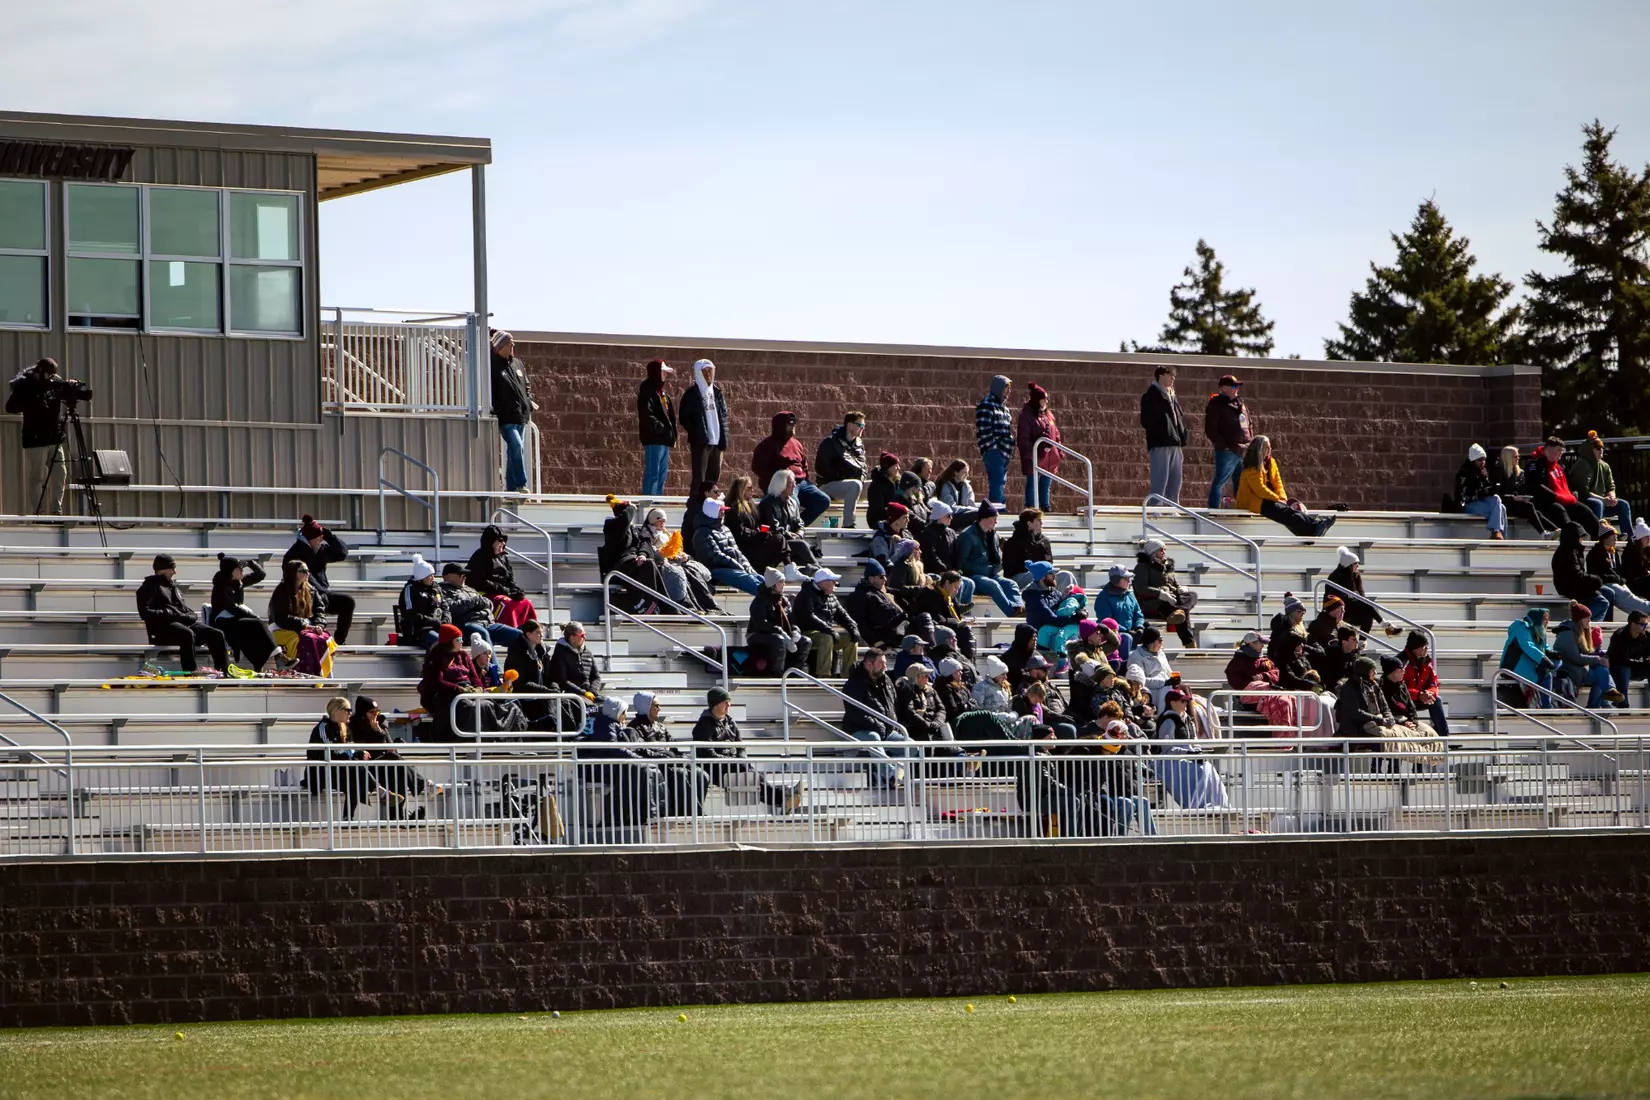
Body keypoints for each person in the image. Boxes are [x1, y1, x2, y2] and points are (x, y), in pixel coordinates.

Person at [689, 687, 805, 814]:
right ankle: (783, 796)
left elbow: (740, 746)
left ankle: (782, 797)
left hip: (733, 765)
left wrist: (741, 759)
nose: (728, 705)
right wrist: (732, 761)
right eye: (724, 702)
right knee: (751, 777)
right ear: (715, 704)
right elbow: (707, 753)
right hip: (716, 769)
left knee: (752, 776)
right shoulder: (704, 725)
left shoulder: (730, 722)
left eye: (729, 701)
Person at [135, 553, 229, 674]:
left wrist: (191, 615)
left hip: (181, 624)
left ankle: (223, 672)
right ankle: (190, 673)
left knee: (216, 634)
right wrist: (169, 613)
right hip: (162, 629)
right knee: (186, 633)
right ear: (163, 569)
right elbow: (145, 613)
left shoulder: (173, 587)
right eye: (172, 568)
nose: (175, 572)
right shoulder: (148, 587)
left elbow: (183, 609)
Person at [6, 357, 75, 515]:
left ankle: (56, 510)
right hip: (36, 439)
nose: (51, 378)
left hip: (55, 437)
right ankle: (40, 512)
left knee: (60, 473)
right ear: (39, 371)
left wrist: (71, 386)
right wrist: (32, 398)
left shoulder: (54, 383)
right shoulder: (25, 385)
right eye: (48, 374)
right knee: (37, 477)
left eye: (53, 375)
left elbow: (68, 394)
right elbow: (10, 406)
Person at [626, 691, 711, 816]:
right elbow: (641, 750)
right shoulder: (634, 728)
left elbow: (674, 748)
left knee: (701, 774)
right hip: (658, 767)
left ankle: (694, 811)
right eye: (656, 705)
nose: (659, 709)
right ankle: (691, 814)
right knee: (680, 774)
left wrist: (681, 758)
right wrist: (664, 755)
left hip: (671, 763)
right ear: (646, 706)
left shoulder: (661, 727)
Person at [1236, 435, 1336, 538]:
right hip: (1254, 501)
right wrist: (1277, 499)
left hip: (1268, 499)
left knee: (1289, 510)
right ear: (1260, 449)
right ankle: (1314, 528)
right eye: (1267, 447)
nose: (1270, 449)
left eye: (1270, 447)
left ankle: (1315, 526)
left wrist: (1282, 498)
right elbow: (1259, 489)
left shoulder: (1271, 462)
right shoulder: (1252, 467)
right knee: (1284, 512)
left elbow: (1277, 483)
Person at [349, 695, 430, 819]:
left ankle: (397, 816)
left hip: (384, 766)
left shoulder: (381, 723)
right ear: (363, 713)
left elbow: (390, 748)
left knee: (398, 772)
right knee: (395, 761)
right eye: (372, 712)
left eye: (377, 711)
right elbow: (369, 752)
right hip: (367, 771)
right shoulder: (354, 726)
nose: (376, 714)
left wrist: (380, 732)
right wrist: (376, 733)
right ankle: (422, 785)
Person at [1553, 522, 1650, 623]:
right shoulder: (1589, 553)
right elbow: (1578, 575)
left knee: (1614, 592)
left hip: (1590, 583)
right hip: (1576, 586)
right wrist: (1597, 579)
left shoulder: (1613, 553)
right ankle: (1583, 624)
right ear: (1605, 538)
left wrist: (1617, 579)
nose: (1616, 539)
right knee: (1604, 600)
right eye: (1613, 537)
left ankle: (1605, 623)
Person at [842, 648, 911, 787]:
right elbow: (855, 713)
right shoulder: (854, 684)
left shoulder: (886, 681)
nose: (885, 666)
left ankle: (885, 773)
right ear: (868, 664)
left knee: (913, 748)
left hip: (886, 730)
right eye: (881, 663)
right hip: (859, 729)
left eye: (885, 663)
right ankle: (892, 775)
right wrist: (880, 726)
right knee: (874, 738)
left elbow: (893, 705)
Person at [751, 411, 831, 525]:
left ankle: (798, 526)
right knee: (793, 502)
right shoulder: (766, 446)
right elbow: (757, 467)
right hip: (782, 484)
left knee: (823, 500)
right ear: (780, 426)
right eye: (789, 425)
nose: (793, 427)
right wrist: (777, 480)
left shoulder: (797, 444)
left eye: (794, 425)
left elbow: (804, 465)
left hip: (801, 483)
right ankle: (790, 529)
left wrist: (805, 480)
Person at [283, 515, 355, 644]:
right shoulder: (293, 555)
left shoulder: (319, 550)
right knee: (318, 603)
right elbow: (304, 579)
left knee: (347, 602)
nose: (321, 541)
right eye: (318, 538)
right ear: (309, 539)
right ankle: (318, 642)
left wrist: (329, 536)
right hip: (302, 597)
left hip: (322, 594)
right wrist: (321, 592)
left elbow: (342, 553)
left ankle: (339, 641)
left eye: (322, 538)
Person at [306, 696, 373, 817]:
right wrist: (356, 753)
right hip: (321, 772)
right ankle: (380, 790)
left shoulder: (345, 729)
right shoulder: (323, 727)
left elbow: (349, 749)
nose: (350, 714)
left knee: (357, 776)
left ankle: (348, 816)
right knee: (357, 770)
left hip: (339, 770)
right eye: (348, 710)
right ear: (337, 711)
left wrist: (356, 752)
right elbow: (331, 750)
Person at [417, 624, 486, 742]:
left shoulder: (464, 655)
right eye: (458, 639)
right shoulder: (437, 656)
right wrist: (460, 690)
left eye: (462, 638)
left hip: (467, 692)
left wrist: (478, 688)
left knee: (486, 705)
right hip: (446, 695)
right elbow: (437, 682)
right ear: (449, 641)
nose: (462, 642)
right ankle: (463, 741)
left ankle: (488, 742)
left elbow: (475, 677)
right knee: (467, 707)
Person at [209, 553, 276, 673]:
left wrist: (250, 563)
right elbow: (232, 608)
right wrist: (252, 615)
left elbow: (261, 575)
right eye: (238, 568)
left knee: (253, 626)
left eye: (242, 568)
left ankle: (262, 662)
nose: (241, 571)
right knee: (256, 624)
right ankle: (276, 656)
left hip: (235, 619)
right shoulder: (220, 587)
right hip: (223, 622)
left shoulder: (238, 582)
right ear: (230, 571)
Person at [267, 560, 336, 677]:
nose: (307, 573)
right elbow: (281, 618)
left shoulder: (311, 590)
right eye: (303, 571)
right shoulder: (281, 591)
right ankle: (306, 673)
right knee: (307, 639)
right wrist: (304, 624)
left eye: (308, 571)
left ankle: (325, 674)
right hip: (283, 628)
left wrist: (318, 624)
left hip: (306, 627)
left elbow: (319, 610)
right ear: (292, 573)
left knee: (324, 638)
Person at [488, 330, 536, 494]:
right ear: (500, 347)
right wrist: (497, 408)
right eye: (510, 343)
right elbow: (489, 391)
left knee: (514, 450)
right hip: (506, 417)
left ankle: (511, 489)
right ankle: (521, 484)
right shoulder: (492, 365)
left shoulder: (517, 364)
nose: (513, 345)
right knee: (516, 445)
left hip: (520, 415)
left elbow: (526, 385)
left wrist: (528, 401)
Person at [955, 503, 1024, 615]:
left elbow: (997, 557)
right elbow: (962, 563)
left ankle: (1018, 608)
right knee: (993, 585)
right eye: (994, 519)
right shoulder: (967, 536)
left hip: (991, 574)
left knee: (1011, 584)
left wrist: (997, 566)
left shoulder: (994, 535)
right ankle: (1012, 613)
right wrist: (986, 570)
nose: (996, 522)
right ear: (984, 518)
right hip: (974, 576)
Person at [1552, 601, 1624, 708]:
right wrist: (1598, 659)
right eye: (1587, 618)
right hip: (1570, 672)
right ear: (1579, 619)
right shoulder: (1566, 633)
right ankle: (1606, 696)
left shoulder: (1579, 632)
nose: (1589, 621)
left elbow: (1587, 653)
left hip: (1580, 671)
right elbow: (1576, 657)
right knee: (1601, 670)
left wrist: (1600, 658)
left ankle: (1597, 704)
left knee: (1601, 672)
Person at [465, 524, 537, 629]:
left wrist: (516, 590)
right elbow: (481, 582)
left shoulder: (504, 558)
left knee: (525, 603)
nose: (503, 543)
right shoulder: (479, 557)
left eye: (504, 540)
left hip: (503, 592)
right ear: (491, 541)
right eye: (500, 540)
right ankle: (511, 634)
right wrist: (505, 591)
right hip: (485, 594)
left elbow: (510, 579)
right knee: (507, 604)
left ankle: (531, 635)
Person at [793, 567, 860, 678]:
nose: (835, 584)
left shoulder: (831, 597)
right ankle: (823, 675)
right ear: (822, 583)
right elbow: (808, 617)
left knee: (851, 638)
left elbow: (843, 615)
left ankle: (849, 675)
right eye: (832, 582)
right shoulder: (806, 594)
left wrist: (853, 628)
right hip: (807, 633)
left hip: (826, 632)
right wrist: (829, 630)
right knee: (826, 638)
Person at [1529, 437, 1600, 538]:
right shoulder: (1536, 465)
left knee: (1584, 510)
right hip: (1547, 502)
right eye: (1558, 450)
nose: (1561, 453)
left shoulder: (1561, 467)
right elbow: (1537, 486)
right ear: (1547, 450)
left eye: (1562, 451)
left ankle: (1602, 534)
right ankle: (1574, 534)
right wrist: (1556, 496)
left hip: (1565, 499)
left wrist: (1574, 492)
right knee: (1560, 510)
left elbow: (1570, 484)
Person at [691, 497, 764, 596]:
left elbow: (737, 551)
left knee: (759, 578)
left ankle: (778, 597)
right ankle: (768, 598)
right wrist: (737, 566)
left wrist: (746, 565)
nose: (724, 514)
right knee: (747, 579)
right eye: (721, 511)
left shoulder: (725, 529)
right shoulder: (702, 533)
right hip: (714, 570)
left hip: (733, 567)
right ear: (713, 512)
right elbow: (715, 556)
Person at [746, 567, 811, 677]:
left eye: (784, 581)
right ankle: (777, 674)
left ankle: (793, 672)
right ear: (772, 584)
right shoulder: (760, 601)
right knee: (779, 640)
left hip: (780, 633)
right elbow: (761, 623)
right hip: (758, 634)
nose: (784, 584)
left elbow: (792, 620)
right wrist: (781, 632)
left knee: (805, 641)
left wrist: (795, 631)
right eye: (781, 581)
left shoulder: (784, 601)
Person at [1133, 538, 1197, 646]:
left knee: (1192, 595)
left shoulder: (1168, 567)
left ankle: (1179, 611)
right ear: (1153, 552)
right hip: (1153, 601)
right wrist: (1160, 594)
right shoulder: (1142, 567)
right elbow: (1141, 588)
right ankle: (1190, 644)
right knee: (1178, 610)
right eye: (1161, 550)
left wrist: (1181, 589)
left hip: (1171, 599)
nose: (1164, 552)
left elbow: (1175, 584)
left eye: (1164, 549)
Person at [437, 562, 517, 648]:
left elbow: (489, 604)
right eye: (461, 574)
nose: (464, 577)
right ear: (448, 576)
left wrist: (478, 602)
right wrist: (474, 602)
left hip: (488, 623)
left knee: (518, 635)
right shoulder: (441, 590)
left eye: (465, 575)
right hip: (469, 624)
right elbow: (451, 608)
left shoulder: (470, 589)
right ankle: (491, 662)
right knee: (482, 634)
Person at [1570, 431, 1633, 534]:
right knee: (1597, 503)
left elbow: (1610, 486)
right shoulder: (1582, 465)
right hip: (1585, 503)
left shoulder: (1605, 466)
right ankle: (1598, 535)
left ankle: (1630, 538)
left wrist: (1612, 497)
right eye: (1598, 448)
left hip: (1603, 501)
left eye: (1602, 448)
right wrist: (1603, 499)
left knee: (1623, 504)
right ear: (1589, 450)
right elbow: (1583, 492)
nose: (1601, 450)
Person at [1139, 365, 1186, 504]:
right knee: (1160, 478)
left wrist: (1182, 435)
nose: (1173, 378)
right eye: (1170, 374)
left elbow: (1179, 418)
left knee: (1175, 479)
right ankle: (1155, 508)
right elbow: (1147, 420)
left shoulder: (1172, 396)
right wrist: (1161, 434)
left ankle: (1172, 507)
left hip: (1175, 443)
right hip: (1160, 443)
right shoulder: (1151, 395)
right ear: (1161, 375)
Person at [680, 358, 730, 489]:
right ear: (698, 373)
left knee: (713, 478)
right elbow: (684, 417)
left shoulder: (718, 393)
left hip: (717, 442)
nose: (708, 374)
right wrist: (697, 432)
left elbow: (724, 416)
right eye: (705, 371)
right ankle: (696, 506)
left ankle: (711, 506)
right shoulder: (692, 394)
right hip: (701, 442)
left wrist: (723, 439)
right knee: (699, 479)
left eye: (710, 371)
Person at [504, 619, 563, 730]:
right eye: (538, 633)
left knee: (564, 700)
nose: (542, 635)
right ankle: (554, 729)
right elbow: (521, 683)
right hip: (525, 698)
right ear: (528, 634)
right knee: (551, 700)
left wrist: (554, 687)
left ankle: (570, 732)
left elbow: (551, 675)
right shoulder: (517, 653)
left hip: (541, 694)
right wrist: (547, 691)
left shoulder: (542, 652)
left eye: (542, 632)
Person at [1334, 655, 1396, 758]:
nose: (1375, 673)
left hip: (1375, 724)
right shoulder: (1349, 688)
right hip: (1356, 729)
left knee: (1398, 741)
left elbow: (1385, 706)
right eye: (1372, 671)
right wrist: (1380, 720)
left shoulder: (1374, 685)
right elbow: (1356, 713)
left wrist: (1389, 717)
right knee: (1382, 743)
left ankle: (1394, 771)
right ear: (1364, 671)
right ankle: (1376, 771)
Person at [1204, 373, 1251, 510]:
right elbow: (1210, 428)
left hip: (1243, 449)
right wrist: (1224, 445)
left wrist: (1249, 440)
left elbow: (1249, 423)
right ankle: (1213, 509)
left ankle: (1240, 508)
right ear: (1223, 388)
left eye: (1237, 386)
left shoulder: (1240, 403)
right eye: (1233, 386)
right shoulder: (1217, 404)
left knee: (1241, 482)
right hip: (1227, 450)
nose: (1237, 388)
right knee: (1220, 480)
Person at [814, 411, 869, 527]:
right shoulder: (830, 442)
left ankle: (881, 526)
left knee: (876, 484)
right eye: (860, 425)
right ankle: (848, 525)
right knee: (855, 485)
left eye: (863, 426)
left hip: (852, 486)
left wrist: (859, 477)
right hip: (828, 486)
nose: (863, 428)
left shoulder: (859, 444)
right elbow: (822, 469)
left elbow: (864, 468)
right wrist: (844, 477)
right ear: (849, 425)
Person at [546, 620, 603, 731]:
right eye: (582, 635)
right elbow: (562, 681)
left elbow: (596, 677)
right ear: (572, 637)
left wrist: (592, 692)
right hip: (573, 696)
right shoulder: (560, 654)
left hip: (589, 695)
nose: (585, 637)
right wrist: (583, 693)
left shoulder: (587, 653)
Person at [1326, 547, 1394, 637]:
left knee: (1368, 614)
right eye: (1355, 564)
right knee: (1368, 605)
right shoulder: (1334, 576)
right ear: (1348, 565)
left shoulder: (1356, 575)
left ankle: (1362, 642)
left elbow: (1361, 593)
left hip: (1352, 608)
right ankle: (1385, 625)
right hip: (1340, 610)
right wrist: (1351, 596)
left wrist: (1354, 596)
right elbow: (1332, 596)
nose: (1358, 566)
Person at [758, 470, 818, 567]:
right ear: (781, 485)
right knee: (801, 545)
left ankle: (815, 571)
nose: (794, 485)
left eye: (794, 482)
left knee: (804, 553)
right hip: (774, 542)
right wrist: (791, 536)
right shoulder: (768, 503)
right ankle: (820, 573)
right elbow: (772, 527)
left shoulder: (793, 503)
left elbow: (800, 524)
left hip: (791, 541)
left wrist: (799, 534)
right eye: (791, 483)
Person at [844, 560, 908, 649]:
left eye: (885, 576)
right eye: (881, 577)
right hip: (886, 636)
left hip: (900, 630)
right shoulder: (859, 596)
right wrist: (876, 642)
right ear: (871, 579)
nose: (885, 579)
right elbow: (860, 623)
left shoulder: (880, 592)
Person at [1500, 607, 1557, 707]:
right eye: (1545, 619)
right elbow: (1528, 646)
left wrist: (1552, 653)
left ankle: (1546, 706)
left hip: (1527, 666)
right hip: (1513, 668)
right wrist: (1543, 659)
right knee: (1547, 674)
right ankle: (1546, 706)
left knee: (1551, 668)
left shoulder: (1539, 630)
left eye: (1548, 619)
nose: (1547, 622)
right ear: (1537, 619)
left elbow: (1543, 647)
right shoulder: (1522, 628)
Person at [636, 358, 677, 495]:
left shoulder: (661, 392)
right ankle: (649, 503)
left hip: (664, 440)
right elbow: (647, 416)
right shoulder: (647, 391)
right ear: (655, 373)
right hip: (654, 440)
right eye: (663, 372)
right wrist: (662, 429)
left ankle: (658, 503)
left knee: (662, 475)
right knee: (653, 474)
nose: (665, 375)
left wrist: (669, 433)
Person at [1491, 445, 1553, 535]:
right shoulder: (1499, 472)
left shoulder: (1519, 472)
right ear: (1508, 458)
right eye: (1516, 456)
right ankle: (1543, 533)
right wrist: (1513, 497)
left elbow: (1520, 490)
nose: (1518, 458)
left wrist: (1523, 496)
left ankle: (1555, 531)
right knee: (1529, 507)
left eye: (1518, 456)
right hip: (1504, 505)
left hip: (1515, 503)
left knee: (1536, 512)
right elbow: (1496, 494)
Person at [1016, 383, 1060, 510]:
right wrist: (1030, 455)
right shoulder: (1027, 416)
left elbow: (1056, 433)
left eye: (1046, 398)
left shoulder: (1048, 415)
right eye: (1043, 399)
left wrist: (1059, 452)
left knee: (1046, 483)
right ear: (1036, 400)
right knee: (1033, 482)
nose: (1046, 401)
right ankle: (1031, 508)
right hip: (1035, 457)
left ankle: (1045, 506)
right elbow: (1023, 438)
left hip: (1050, 458)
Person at [1399, 631, 1450, 738]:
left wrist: (1429, 693)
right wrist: (1419, 695)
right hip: (1403, 700)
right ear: (1415, 648)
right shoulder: (1401, 662)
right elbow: (1399, 688)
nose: (1427, 649)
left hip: (1419, 698)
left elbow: (1434, 683)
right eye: (1424, 646)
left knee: (1437, 699)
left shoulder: (1426, 661)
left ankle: (1444, 736)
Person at [975, 375, 1015, 505]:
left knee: (1001, 481)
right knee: (997, 480)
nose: (1008, 391)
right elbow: (984, 429)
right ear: (998, 388)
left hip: (1005, 452)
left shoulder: (1005, 409)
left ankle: (999, 505)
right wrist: (993, 447)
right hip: (993, 451)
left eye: (1009, 388)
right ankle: (996, 507)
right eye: (1006, 388)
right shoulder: (986, 404)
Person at [1454, 443, 1507, 539]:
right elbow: (1465, 495)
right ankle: (1496, 532)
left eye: (1484, 459)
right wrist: (1482, 492)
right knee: (1499, 508)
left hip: (1480, 501)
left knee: (1501, 506)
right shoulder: (1465, 473)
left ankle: (1500, 535)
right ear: (1473, 460)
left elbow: (1485, 488)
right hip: (1468, 504)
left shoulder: (1483, 471)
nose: (1483, 462)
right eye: (1479, 460)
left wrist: (1489, 488)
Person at [397, 554, 448, 650]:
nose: (432, 578)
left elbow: (445, 607)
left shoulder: (436, 588)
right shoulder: (410, 589)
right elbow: (410, 613)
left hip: (438, 626)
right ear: (421, 576)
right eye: (429, 576)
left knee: (456, 640)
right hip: (420, 630)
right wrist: (433, 621)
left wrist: (446, 620)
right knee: (439, 643)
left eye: (433, 575)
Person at [1125, 627, 1176, 713]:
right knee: (1167, 690)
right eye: (1159, 641)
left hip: (1167, 683)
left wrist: (1174, 679)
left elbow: (1168, 671)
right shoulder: (1136, 657)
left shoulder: (1161, 653)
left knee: (1183, 689)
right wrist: (1164, 682)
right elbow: (1139, 681)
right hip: (1151, 689)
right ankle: (1163, 716)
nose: (1162, 643)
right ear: (1151, 643)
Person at [1092, 564, 1145, 642]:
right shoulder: (1104, 596)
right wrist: (1126, 631)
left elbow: (1138, 614)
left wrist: (1139, 627)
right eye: (1125, 579)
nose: (1129, 581)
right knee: (1127, 638)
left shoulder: (1130, 595)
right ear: (1116, 579)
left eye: (1129, 578)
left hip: (1131, 634)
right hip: (1112, 636)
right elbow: (1106, 620)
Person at [1606, 611, 1650, 702]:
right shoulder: (1619, 636)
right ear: (1632, 623)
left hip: (1637, 667)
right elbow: (1621, 659)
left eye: (1646, 624)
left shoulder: (1646, 636)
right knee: (1624, 670)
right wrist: (1644, 662)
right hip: (1618, 667)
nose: (1645, 628)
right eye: (1643, 625)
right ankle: (1623, 706)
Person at [1001, 508, 1052, 585]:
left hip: (1043, 575)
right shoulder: (1013, 542)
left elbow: (1050, 562)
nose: (1042, 523)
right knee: (1036, 576)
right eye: (1038, 520)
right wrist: (1035, 568)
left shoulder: (1045, 541)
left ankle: (1064, 596)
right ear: (1029, 523)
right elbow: (1010, 569)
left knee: (1066, 575)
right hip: (1018, 578)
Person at [935, 459, 980, 526]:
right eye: (964, 472)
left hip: (963, 515)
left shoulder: (967, 487)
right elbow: (951, 508)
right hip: (948, 517)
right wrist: (974, 510)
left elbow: (971, 504)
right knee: (977, 513)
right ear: (956, 472)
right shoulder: (946, 486)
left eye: (967, 472)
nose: (967, 475)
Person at [868, 501, 912, 566]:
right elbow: (884, 562)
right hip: (890, 574)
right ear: (895, 520)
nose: (908, 520)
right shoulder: (881, 538)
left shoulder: (906, 534)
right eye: (905, 517)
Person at [865, 452, 901, 529]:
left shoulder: (898, 483)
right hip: (879, 519)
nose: (898, 468)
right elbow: (878, 508)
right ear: (887, 467)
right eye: (895, 466)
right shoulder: (876, 485)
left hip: (897, 518)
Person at [1623, 518, 1650, 599]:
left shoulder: (1647, 550)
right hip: (1634, 582)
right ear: (1640, 538)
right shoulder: (1632, 551)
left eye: (1649, 536)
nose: (1649, 539)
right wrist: (1647, 572)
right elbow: (1635, 571)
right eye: (1646, 537)